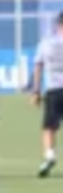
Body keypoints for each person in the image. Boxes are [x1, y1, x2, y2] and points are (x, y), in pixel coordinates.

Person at [30, 12, 63, 177]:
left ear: (58, 24)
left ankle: (49, 155)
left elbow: (38, 66)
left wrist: (36, 90)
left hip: (53, 90)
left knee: (49, 127)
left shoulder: (46, 43)